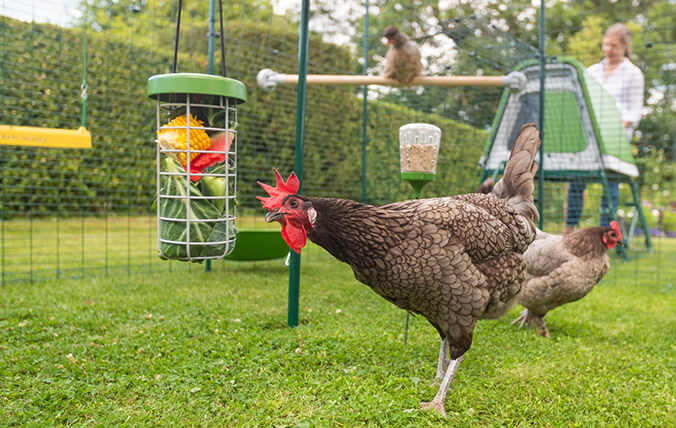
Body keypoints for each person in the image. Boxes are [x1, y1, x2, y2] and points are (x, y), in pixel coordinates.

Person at [565, 23, 644, 232]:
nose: (608, 50)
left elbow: (634, 112)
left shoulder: (633, 74)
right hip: (590, 137)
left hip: (617, 138)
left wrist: (613, 131)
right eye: (606, 45)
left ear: (625, 46)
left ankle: (605, 234)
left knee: (610, 185)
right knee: (576, 181)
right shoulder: (591, 71)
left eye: (614, 46)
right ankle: (569, 231)